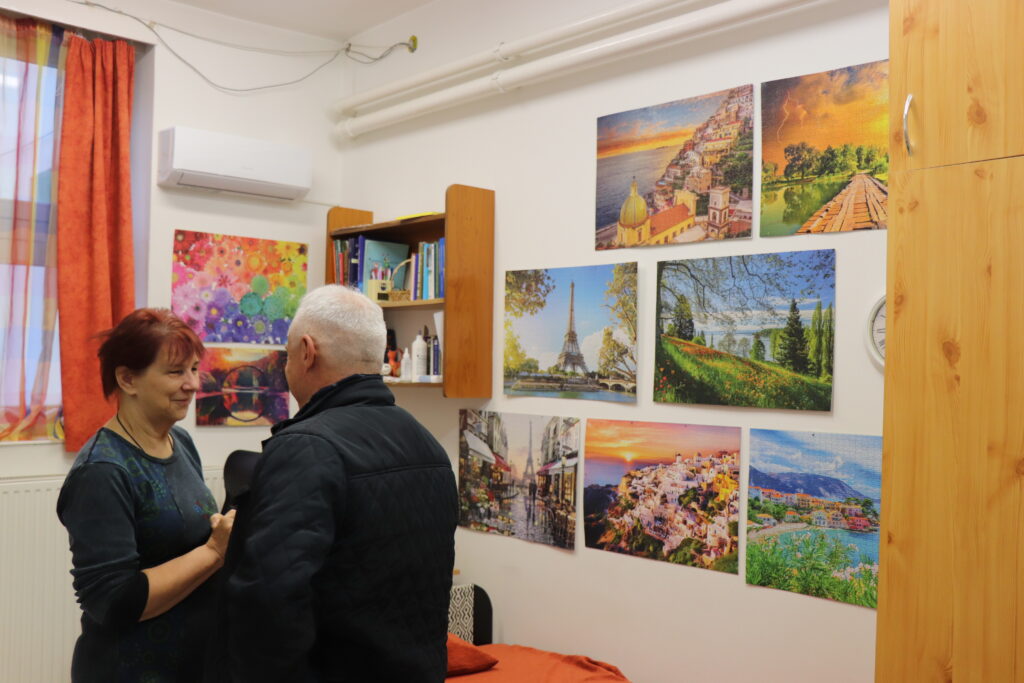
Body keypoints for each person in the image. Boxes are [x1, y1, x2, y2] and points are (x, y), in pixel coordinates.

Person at [210, 285, 458, 683]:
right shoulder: (428, 444)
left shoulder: (305, 448)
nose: (287, 367)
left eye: (288, 355)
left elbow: (269, 601)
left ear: (307, 352)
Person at [56, 308, 235, 682]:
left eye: (194, 369)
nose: (192, 384)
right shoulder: (102, 471)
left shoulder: (179, 441)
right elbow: (114, 601)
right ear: (127, 379)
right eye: (175, 372)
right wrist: (215, 552)